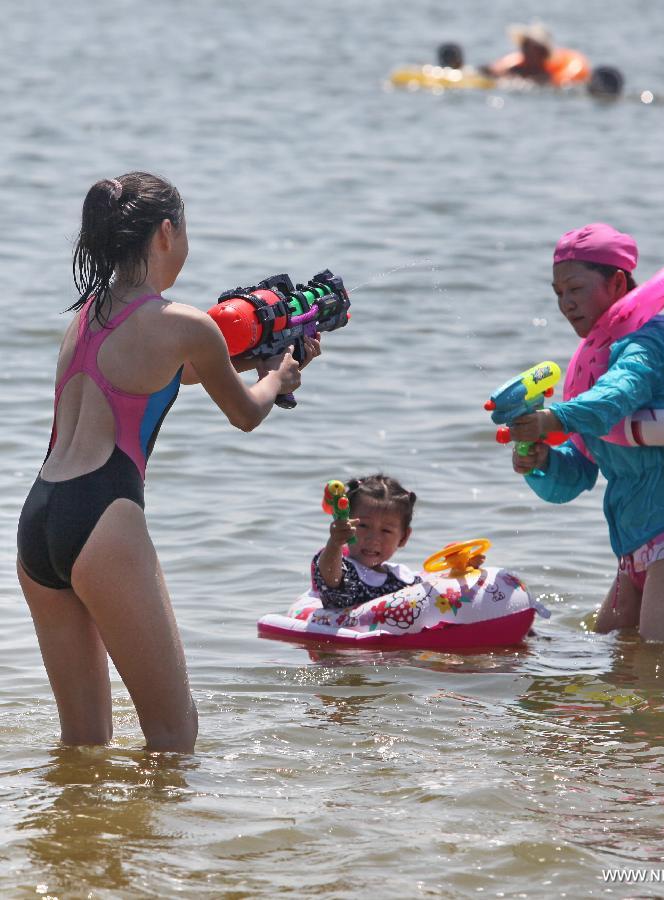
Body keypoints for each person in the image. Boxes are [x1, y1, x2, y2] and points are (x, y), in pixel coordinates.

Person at [16, 171, 319, 752]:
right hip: (105, 516)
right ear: (165, 232)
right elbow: (246, 414)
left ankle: (70, 839)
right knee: (174, 735)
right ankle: (158, 845)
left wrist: (253, 359)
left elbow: (162, 377)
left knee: (83, 742)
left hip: (41, 518)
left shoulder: (87, 315)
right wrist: (279, 376)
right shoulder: (186, 323)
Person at [507, 223, 664, 643]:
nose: (565, 303)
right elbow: (575, 478)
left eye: (574, 289)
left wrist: (553, 419)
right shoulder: (592, 365)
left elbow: (620, 394)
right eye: (557, 294)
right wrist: (542, 460)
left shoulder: (650, 339)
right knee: (611, 667)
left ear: (616, 282)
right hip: (634, 556)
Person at [311, 474, 421, 609]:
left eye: (386, 531)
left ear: (403, 538)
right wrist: (335, 543)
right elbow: (330, 576)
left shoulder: (402, 577)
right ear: (347, 523)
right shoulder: (345, 572)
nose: (373, 539)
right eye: (363, 525)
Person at [480, 22, 554, 82]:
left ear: (541, 52)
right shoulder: (514, 69)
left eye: (531, 48)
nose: (526, 50)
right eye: (525, 45)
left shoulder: (549, 76)